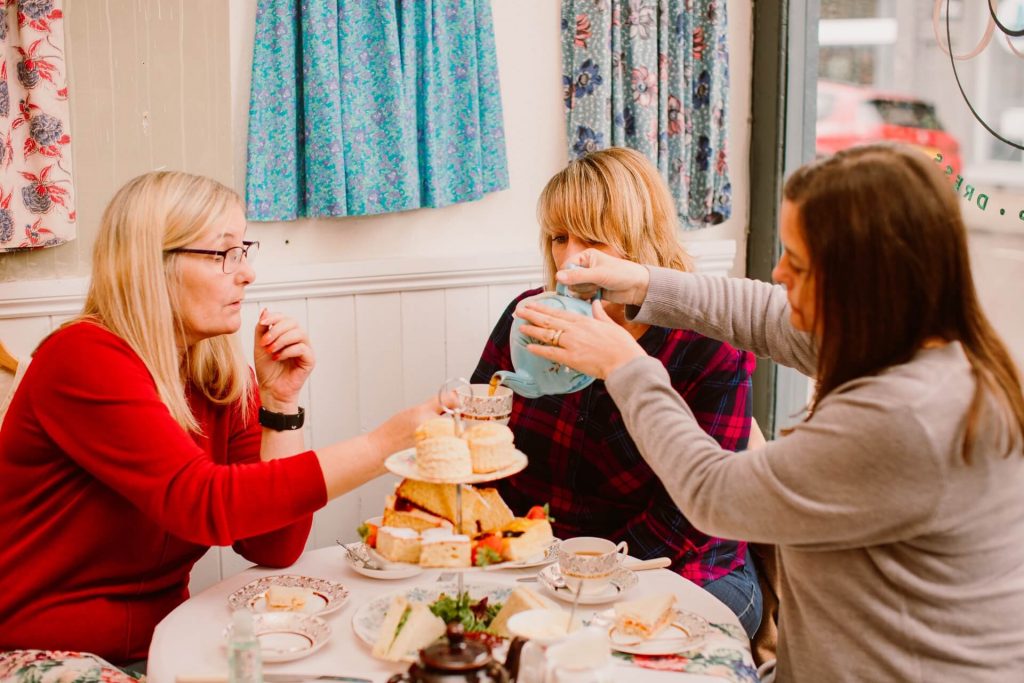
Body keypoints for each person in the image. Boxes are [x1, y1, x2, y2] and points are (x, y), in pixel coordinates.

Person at [517, 143, 1024, 681]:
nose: (778, 273)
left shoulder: (905, 418)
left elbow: (713, 495)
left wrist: (624, 366)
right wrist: (642, 281)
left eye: (798, 264)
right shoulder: (908, 346)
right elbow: (764, 313)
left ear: (867, 283)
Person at [0, 172, 441, 665]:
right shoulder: (82, 357)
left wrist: (279, 404)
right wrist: (385, 446)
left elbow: (273, 546)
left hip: (164, 645)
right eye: (223, 253)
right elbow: (203, 503)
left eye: (245, 250)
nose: (247, 272)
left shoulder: (217, 371)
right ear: (153, 266)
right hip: (42, 651)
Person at [471, 147, 763, 637]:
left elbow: (687, 521)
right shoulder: (529, 318)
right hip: (542, 561)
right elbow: (482, 441)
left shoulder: (709, 352)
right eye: (559, 237)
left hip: (680, 568)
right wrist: (497, 543)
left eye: (593, 240)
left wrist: (583, 588)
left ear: (640, 243)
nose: (568, 258)